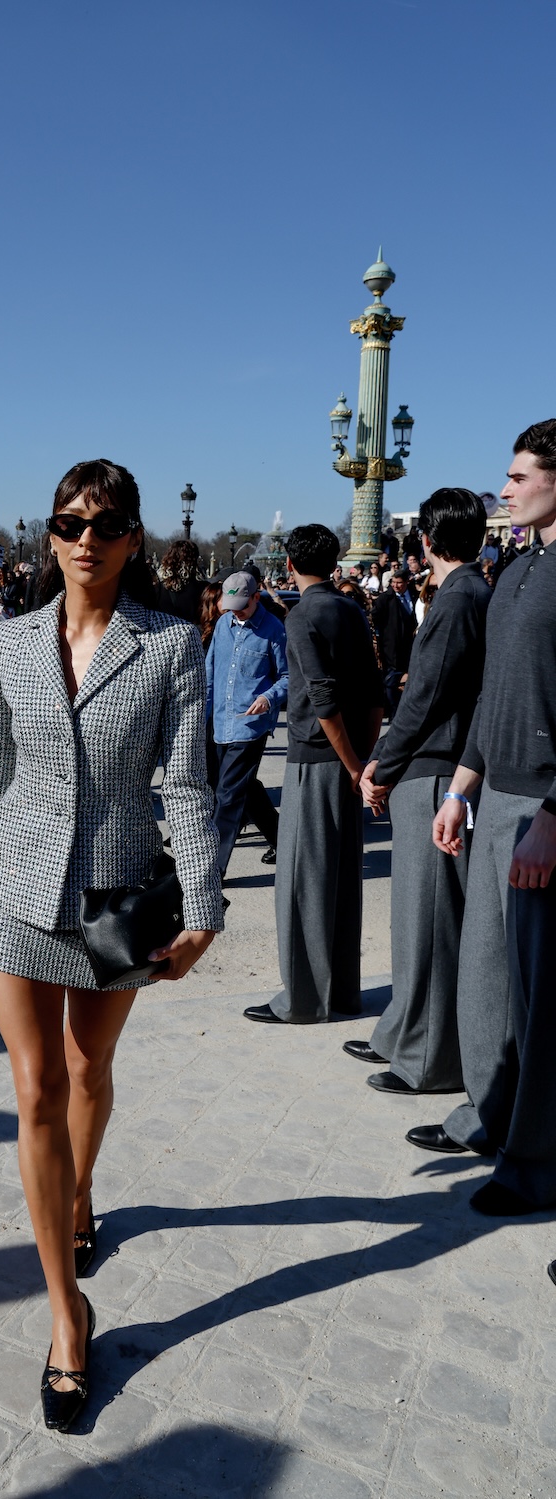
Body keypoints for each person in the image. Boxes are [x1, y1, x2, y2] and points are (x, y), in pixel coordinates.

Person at [0, 459, 222, 1432]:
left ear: (134, 538)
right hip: (19, 885)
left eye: (105, 523)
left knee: (87, 1068)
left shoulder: (167, 646)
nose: (84, 538)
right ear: (48, 534)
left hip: (115, 893)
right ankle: (68, 1315)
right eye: (68, 521)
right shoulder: (10, 637)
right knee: (34, 1089)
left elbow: (186, 783)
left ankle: (81, 1191)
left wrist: (202, 896)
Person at [411, 422, 556, 1216]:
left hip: (542, 805)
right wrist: (464, 784)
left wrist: (554, 814)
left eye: (520, 474)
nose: (504, 488)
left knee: (539, 1000)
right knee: (491, 981)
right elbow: (494, 694)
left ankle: (534, 1163)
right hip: (496, 792)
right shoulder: (514, 569)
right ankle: (492, 1116)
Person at [350, 489, 490, 1094]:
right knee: (416, 918)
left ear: (426, 541)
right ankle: (404, 1029)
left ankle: (429, 1055)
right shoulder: (467, 593)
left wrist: (381, 763)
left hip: (434, 768)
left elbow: (426, 697)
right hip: (436, 763)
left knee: (428, 920)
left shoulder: (459, 598)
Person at [246, 524, 383, 1025]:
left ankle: (304, 998)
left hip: (317, 758)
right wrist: (365, 761)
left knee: (303, 883)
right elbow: (372, 693)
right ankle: (342, 992)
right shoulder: (350, 609)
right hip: (350, 759)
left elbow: (323, 699)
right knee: (341, 882)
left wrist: (352, 764)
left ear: (289, 564)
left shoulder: (302, 615)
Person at [204, 570, 287, 885]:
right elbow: (211, 671)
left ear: (257, 597)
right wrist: (203, 715)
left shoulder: (274, 630)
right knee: (241, 787)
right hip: (219, 721)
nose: (236, 611)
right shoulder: (224, 625)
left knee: (227, 795)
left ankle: (212, 869)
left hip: (250, 726)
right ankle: (281, 839)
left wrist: (268, 697)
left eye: (243, 604)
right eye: (232, 604)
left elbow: (288, 676)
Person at [371, 570, 417, 722]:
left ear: (406, 583)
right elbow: (376, 618)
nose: (396, 586)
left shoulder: (415, 595)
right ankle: (393, 712)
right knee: (392, 679)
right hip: (391, 646)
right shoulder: (385, 599)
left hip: (410, 645)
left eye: (399, 583)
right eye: (393, 582)